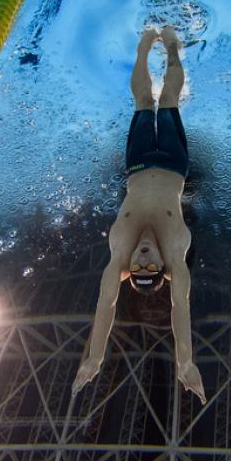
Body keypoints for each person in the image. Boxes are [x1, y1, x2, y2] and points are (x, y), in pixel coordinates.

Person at [72, 26, 205, 404]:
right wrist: (185, 364)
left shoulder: (119, 253)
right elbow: (181, 306)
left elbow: (106, 303)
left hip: (138, 165)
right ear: (162, 266)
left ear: (129, 268)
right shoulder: (176, 252)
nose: (144, 259)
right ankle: (175, 48)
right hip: (175, 166)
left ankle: (146, 46)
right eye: (153, 268)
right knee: (170, 101)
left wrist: (95, 358)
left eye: (137, 269)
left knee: (145, 101)